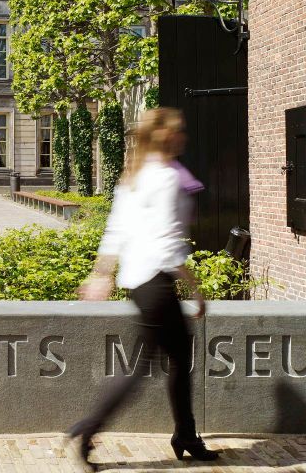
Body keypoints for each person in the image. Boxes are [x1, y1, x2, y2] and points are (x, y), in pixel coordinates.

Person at [67, 108, 216, 467]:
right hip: (156, 279)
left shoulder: (135, 173)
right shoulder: (165, 177)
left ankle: (186, 434)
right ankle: (87, 431)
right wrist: (195, 288)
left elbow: (116, 228)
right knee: (144, 365)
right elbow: (168, 240)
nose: (183, 136)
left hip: (139, 280)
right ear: (166, 136)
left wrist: (101, 272)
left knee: (179, 357)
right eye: (178, 131)